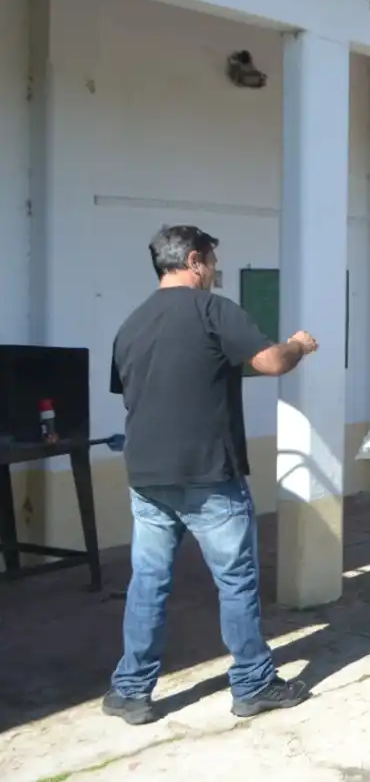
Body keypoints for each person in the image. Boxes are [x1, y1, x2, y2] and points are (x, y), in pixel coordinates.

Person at [105, 226, 318, 726]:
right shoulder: (214, 310)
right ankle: (253, 683)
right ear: (195, 261)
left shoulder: (130, 324)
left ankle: (131, 691)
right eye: (213, 262)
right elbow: (269, 362)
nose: (216, 271)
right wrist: (298, 346)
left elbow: (132, 390)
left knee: (148, 583)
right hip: (208, 475)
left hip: (147, 476)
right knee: (236, 582)